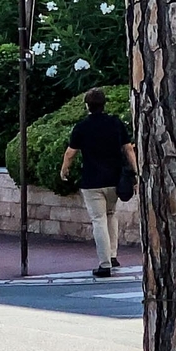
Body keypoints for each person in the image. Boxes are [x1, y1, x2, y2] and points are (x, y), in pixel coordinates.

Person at [58, 90, 136, 277]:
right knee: (111, 215)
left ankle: (104, 264)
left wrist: (64, 169)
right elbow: (128, 149)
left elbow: (70, 153)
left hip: (92, 181)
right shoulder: (115, 123)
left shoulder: (82, 127)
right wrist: (135, 172)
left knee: (98, 220)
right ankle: (113, 255)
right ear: (104, 104)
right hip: (114, 180)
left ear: (87, 106)